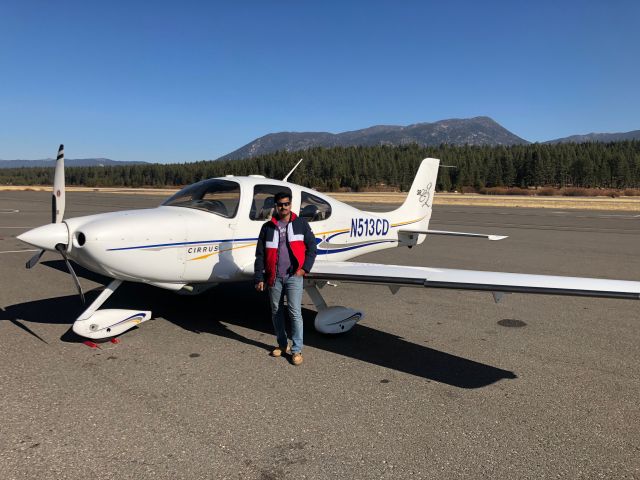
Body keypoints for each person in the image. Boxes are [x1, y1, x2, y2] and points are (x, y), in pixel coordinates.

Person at [254, 192, 317, 366]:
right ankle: (282, 345)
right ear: (276, 206)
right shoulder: (267, 227)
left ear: (291, 205)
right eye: (280, 204)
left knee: (295, 312)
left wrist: (304, 269)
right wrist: (259, 277)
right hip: (274, 277)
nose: (284, 207)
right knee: (276, 311)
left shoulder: (301, 224)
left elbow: (312, 247)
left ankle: (296, 350)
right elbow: (260, 255)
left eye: (286, 204)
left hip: (293, 276)